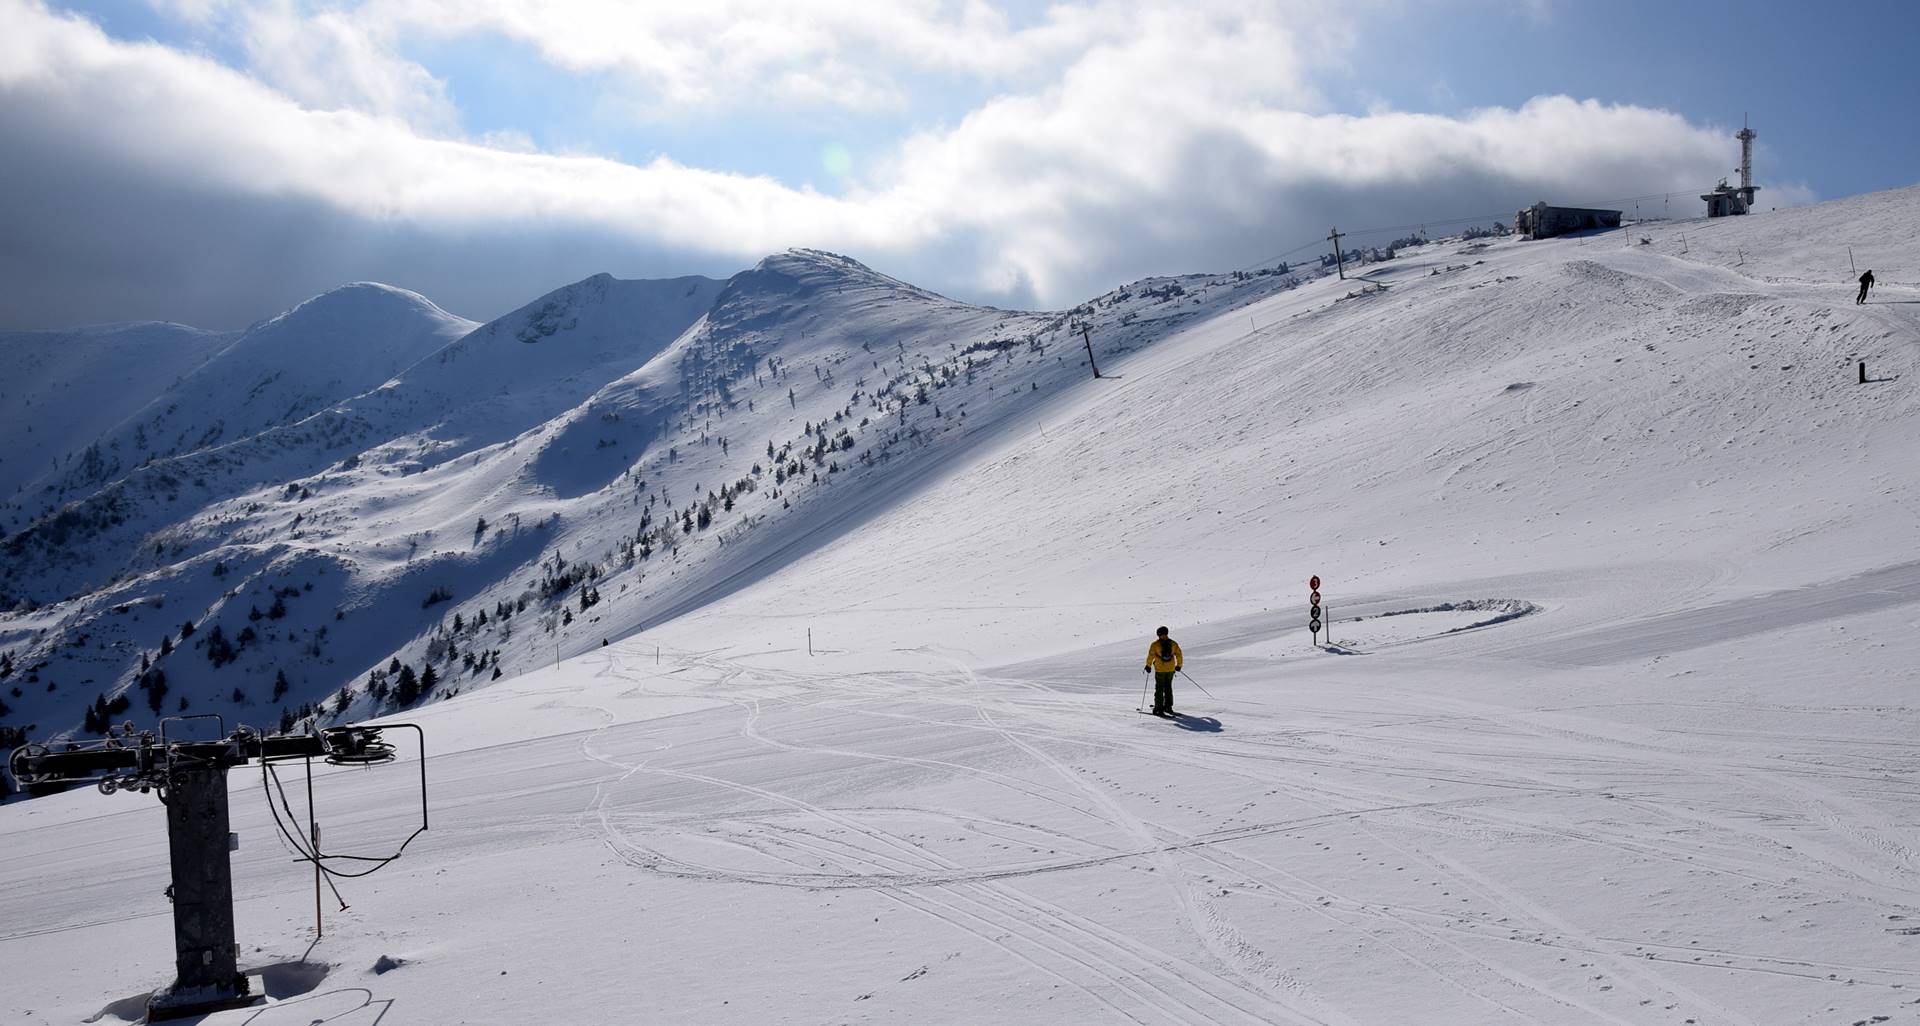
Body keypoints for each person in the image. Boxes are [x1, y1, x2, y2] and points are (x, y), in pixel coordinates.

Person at [1143, 626, 1183, 717]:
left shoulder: (1155, 644)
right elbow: (1179, 655)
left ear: (1158, 634)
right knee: (1168, 687)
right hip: (1171, 669)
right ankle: (1168, 707)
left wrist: (1148, 666)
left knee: (1159, 688)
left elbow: (1151, 656)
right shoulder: (1173, 643)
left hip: (1160, 669)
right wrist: (1179, 666)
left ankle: (1159, 708)